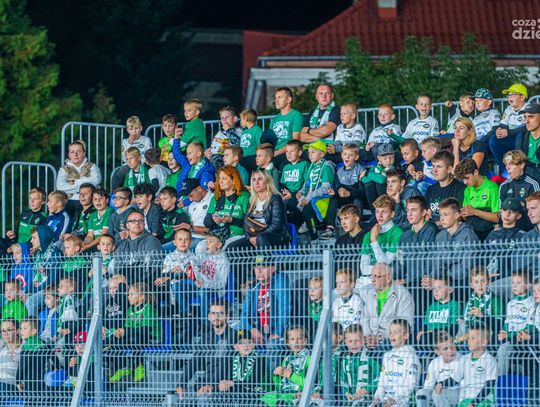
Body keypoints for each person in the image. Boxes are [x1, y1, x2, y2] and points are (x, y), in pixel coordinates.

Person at [176, 300, 236, 403]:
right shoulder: (206, 338)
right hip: (206, 381)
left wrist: (212, 385)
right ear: (209, 316)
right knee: (178, 399)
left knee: (204, 398)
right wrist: (181, 384)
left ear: (227, 316)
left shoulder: (235, 336)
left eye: (220, 313)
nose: (216, 317)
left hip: (225, 383)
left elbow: (226, 363)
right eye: (213, 313)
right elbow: (194, 361)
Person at [240, 255, 291, 364]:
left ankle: (271, 374)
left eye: (263, 267)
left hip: (279, 331)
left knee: (272, 345)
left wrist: (278, 332)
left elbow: (284, 308)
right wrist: (252, 329)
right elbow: (243, 314)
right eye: (256, 267)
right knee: (239, 339)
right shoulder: (253, 287)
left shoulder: (280, 280)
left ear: (273, 268)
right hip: (259, 331)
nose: (259, 271)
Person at [108, 282, 161, 383]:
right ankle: (123, 368)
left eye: (132, 294)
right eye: (128, 294)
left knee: (135, 338)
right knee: (116, 339)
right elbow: (128, 328)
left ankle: (139, 366)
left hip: (151, 338)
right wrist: (119, 333)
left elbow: (145, 330)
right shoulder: (130, 310)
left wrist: (125, 332)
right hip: (135, 336)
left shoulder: (148, 309)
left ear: (141, 297)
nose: (129, 297)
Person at [228, 170, 289, 249]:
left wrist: (259, 236)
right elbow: (245, 222)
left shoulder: (275, 198)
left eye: (260, 179)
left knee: (261, 239)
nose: (256, 183)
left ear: (267, 181)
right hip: (254, 236)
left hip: (275, 237)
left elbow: (277, 224)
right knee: (231, 248)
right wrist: (249, 237)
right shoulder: (252, 200)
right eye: (254, 180)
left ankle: (261, 257)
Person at [357, 263, 414, 347]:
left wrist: (380, 338)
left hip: (391, 342)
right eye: (371, 276)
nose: (373, 280)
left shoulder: (403, 294)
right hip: (370, 342)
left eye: (376, 276)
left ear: (388, 278)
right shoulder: (369, 293)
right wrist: (368, 336)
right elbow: (364, 318)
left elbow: (405, 323)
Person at [372, 319, 420, 407]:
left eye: (396, 332)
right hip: (385, 400)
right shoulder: (387, 356)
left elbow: (411, 383)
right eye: (390, 332)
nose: (391, 335)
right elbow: (382, 380)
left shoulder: (411, 357)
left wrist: (394, 399)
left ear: (405, 335)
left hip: (402, 402)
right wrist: (377, 397)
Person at [359, 195, 403, 287]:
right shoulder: (368, 235)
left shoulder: (398, 233)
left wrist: (374, 241)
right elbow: (363, 268)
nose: (379, 215)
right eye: (377, 211)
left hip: (390, 280)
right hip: (370, 279)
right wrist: (379, 271)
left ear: (392, 214)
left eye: (384, 212)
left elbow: (385, 263)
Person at [496, 268, 535, 375]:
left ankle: (501, 380)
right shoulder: (510, 304)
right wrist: (503, 331)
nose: (514, 286)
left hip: (523, 340)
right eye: (513, 283)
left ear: (527, 285)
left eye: (518, 283)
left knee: (503, 350)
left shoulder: (531, 302)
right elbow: (507, 323)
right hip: (510, 338)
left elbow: (530, 327)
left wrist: (508, 335)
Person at [261, 325, 310, 406]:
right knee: (262, 400)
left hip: (298, 394)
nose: (296, 342)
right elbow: (279, 386)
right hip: (283, 393)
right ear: (288, 342)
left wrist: (291, 375)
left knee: (281, 402)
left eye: (299, 339)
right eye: (292, 339)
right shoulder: (286, 359)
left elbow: (310, 383)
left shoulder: (309, 359)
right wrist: (276, 375)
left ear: (305, 341)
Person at [432, 198, 479, 283]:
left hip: (463, 281)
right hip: (444, 281)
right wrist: (432, 278)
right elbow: (437, 263)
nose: (442, 219)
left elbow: (467, 267)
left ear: (457, 215)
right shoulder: (440, 236)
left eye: (446, 215)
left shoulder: (468, 235)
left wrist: (446, 278)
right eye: (441, 215)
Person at [296, 140, 335, 241]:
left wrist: (308, 197)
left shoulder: (327, 166)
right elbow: (306, 184)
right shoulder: (312, 166)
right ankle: (307, 223)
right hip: (310, 196)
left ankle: (314, 236)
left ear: (321, 154)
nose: (310, 155)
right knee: (291, 205)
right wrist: (300, 192)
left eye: (313, 152)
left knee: (306, 208)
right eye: (309, 152)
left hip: (322, 198)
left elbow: (326, 187)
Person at [203, 166, 250, 249]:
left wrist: (232, 220)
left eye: (224, 178)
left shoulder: (244, 196)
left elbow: (250, 223)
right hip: (218, 236)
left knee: (225, 248)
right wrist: (213, 219)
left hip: (238, 236)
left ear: (234, 181)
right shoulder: (217, 196)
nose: (220, 181)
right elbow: (206, 222)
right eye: (219, 179)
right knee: (200, 248)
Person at [155, 229, 199, 316]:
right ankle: (178, 312)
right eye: (180, 239)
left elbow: (194, 276)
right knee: (172, 286)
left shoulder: (194, 257)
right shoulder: (169, 257)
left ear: (191, 242)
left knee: (176, 286)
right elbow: (164, 274)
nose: (183, 242)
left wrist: (172, 276)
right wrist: (171, 272)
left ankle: (185, 313)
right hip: (172, 287)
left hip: (189, 287)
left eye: (186, 239)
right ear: (175, 242)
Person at [454, 159, 499, 240]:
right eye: (463, 179)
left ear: (475, 172)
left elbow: (497, 218)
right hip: (472, 232)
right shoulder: (467, 190)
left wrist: (475, 212)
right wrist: (462, 214)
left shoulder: (492, 188)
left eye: (467, 178)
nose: (465, 182)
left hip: (489, 232)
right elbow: (466, 216)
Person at [326, 143, 365, 236]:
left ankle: (358, 226)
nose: (347, 157)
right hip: (343, 197)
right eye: (345, 154)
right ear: (341, 156)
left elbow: (362, 193)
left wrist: (349, 193)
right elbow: (337, 187)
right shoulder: (339, 171)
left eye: (351, 155)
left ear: (356, 157)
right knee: (333, 200)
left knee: (358, 201)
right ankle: (330, 227)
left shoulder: (360, 169)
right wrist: (334, 192)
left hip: (354, 197)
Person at [111, 210, 162, 283]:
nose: (137, 223)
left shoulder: (151, 241)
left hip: (146, 284)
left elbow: (153, 267)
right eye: (133, 221)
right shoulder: (122, 246)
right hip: (125, 284)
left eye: (140, 221)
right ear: (127, 225)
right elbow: (117, 271)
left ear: (144, 224)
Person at [217, 329, 265, 404]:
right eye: (241, 343)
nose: (246, 345)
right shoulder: (231, 359)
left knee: (238, 390)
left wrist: (231, 383)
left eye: (249, 342)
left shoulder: (260, 359)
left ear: (253, 344)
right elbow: (224, 378)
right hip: (238, 391)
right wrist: (223, 384)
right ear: (236, 347)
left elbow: (253, 382)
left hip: (256, 391)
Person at [398, 196, 439, 284]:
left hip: (426, 282)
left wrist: (408, 280)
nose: (409, 214)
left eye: (414, 210)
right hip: (408, 282)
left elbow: (433, 261)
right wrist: (397, 278)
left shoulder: (431, 230)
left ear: (424, 212)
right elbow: (400, 261)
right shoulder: (404, 236)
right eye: (408, 210)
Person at [455, 324, 497, 406]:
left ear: (484, 342)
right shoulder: (464, 359)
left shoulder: (490, 360)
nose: (468, 341)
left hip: (484, 400)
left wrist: (474, 403)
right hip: (465, 399)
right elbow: (455, 378)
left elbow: (489, 385)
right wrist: (441, 384)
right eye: (468, 337)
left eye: (473, 338)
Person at [338, 324, 381, 405]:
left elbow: (380, 377)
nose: (354, 344)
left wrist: (366, 389)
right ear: (345, 342)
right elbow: (343, 380)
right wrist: (347, 393)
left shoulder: (370, 357)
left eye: (357, 340)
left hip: (368, 399)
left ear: (363, 340)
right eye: (350, 341)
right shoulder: (345, 360)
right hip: (351, 400)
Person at [489, 84, 529, 170]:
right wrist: (499, 131)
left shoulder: (529, 108)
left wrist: (508, 132)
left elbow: (527, 127)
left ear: (522, 97)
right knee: (494, 139)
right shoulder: (508, 109)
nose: (509, 97)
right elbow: (503, 125)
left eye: (513, 95)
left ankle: (519, 168)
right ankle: (505, 170)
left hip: (525, 140)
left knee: (520, 136)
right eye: (509, 95)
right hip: (511, 138)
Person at [416, 331, 461, 407]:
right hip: (439, 391)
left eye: (452, 346)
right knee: (421, 393)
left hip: (458, 392)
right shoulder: (434, 363)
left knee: (438, 394)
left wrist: (440, 386)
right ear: (437, 352)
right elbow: (428, 386)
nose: (450, 350)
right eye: (445, 349)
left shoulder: (461, 360)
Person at [417, 274, 462, 346]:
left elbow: (453, 328)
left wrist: (433, 331)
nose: (435, 291)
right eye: (434, 288)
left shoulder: (455, 305)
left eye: (439, 288)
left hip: (444, 337)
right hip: (429, 336)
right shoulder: (431, 307)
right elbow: (425, 325)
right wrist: (421, 331)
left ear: (450, 290)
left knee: (425, 338)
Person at [499, 150, 539, 230]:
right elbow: (500, 213)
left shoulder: (532, 184)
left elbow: (537, 212)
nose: (507, 168)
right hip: (508, 230)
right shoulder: (504, 186)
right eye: (506, 164)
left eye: (511, 164)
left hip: (529, 230)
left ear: (522, 165)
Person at [112, 116, 153, 190]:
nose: (134, 131)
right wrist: (130, 143)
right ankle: (116, 195)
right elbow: (124, 158)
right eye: (131, 129)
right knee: (117, 176)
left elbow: (149, 154)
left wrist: (142, 161)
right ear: (128, 130)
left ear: (141, 128)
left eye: (136, 128)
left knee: (149, 172)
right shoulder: (125, 142)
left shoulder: (146, 140)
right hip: (129, 164)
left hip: (143, 164)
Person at [56, 140, 101, 204]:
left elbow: (95, 182)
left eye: (79, 151)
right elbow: (60, 187)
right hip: (69, 201)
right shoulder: (63, 169)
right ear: (69, 155)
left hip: (90, 201)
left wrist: (74, 182)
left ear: (84, 153)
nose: (75, 154)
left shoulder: (92, 166)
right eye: (72, 152)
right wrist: (85, 185)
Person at [267, 87, 303, 168]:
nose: (276, 100)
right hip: (274, 152)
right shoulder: (274, 119)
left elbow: (295, 141)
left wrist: (277, 152)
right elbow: (270, 142)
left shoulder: (296, 115)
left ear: (289, 99)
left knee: (270, 164)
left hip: (287, 152)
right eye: (275, 98)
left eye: (279, 97)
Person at [425, 151, 465, 223]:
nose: (434, 170)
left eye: (439, 167)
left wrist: (436, 224)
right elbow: (427, 215)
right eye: (433, 166)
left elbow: (458, 218)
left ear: (449, 169)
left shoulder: (460, 189)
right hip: (432, 228)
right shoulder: (430, 190)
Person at [462, 267, 504, 335]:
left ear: (488, 282)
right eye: (476, 282)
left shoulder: (496, 301)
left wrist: (483, 316)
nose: (480, 285)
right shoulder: (469, 303)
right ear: (471, 285)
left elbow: (500, 325)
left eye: (483, 281)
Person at [16, 318, 47, 401]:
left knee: (30, 402)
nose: (21, 331)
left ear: (34, 331)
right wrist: (57, 367)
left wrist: (18, 380)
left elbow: (23, 365)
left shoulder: (27, 346)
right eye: (21, 328)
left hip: (30, 381)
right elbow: (53, 356)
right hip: (42, 379)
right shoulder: (43, 343)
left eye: (25, 328)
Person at [280, 140, 309, 228]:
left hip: (298, 195)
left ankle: (302, 223)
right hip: (287, 195)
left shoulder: (304, 164)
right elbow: (282, 183)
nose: (288, 154)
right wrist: (284, 191)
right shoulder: (286, 166)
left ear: (299, 153)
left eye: (292, 151)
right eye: (287, 151)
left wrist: (292, 194)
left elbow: (307, 183)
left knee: (289, 203)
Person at [178, 178, 212, 248]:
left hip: (204, 239)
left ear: (199, 188)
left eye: (191, 195)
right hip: (188, 238)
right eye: (188, 197)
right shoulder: (192, 205)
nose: (190, 199)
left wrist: (191, 228)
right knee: (160, 249)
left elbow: (212, 230)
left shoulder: (213, 199)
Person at [361, 143, 396, 210]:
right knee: (368, 185)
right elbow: (364, 180)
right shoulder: (376, 168)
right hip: (377, 196)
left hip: (390, 196)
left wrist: (368, 174)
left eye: (391, 157)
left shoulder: (393, 168)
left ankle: (384, 208)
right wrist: (373, 176)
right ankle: (374, 211)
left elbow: (382, 180)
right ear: (379, 158)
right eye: (385, 158)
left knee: (379, 183)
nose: (388, 160)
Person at [159, 186, 189, 251]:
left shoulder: (180, 214)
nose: (162, 202)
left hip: (175, 243)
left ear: (173, 200)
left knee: (157, 250)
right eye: (160, 199)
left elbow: (181, 237)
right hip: (163, 242)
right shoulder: (161, 213)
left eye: (165, 199)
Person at [515, 103, 540, 176]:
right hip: (526, 173)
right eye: (525, 117)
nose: (526, 121)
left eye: (531, 117)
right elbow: (518, 160)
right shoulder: (521, 137)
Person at [0, 319, 21, 398]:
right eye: (3, 331)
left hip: (11, 386)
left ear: (17, 331)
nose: (5, 334)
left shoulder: (23, 348)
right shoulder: (2, 348)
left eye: (9, 330)